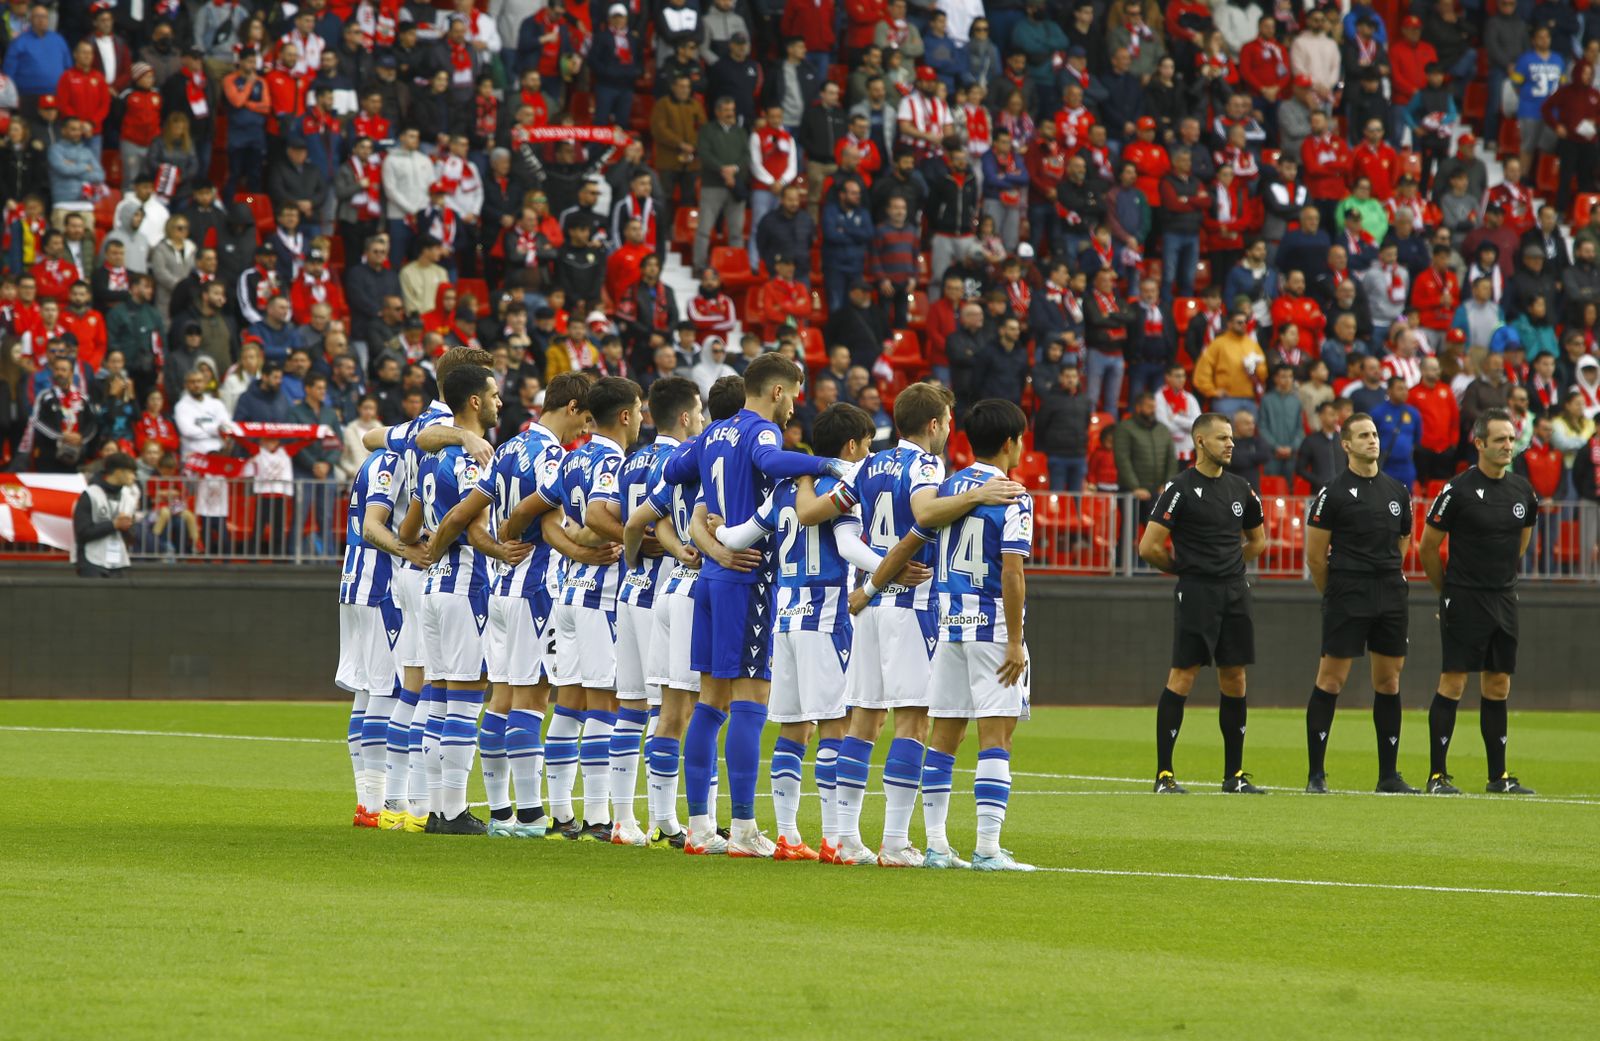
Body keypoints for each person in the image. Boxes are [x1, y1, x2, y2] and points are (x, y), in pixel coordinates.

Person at [785, 381, 1020, 866]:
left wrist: (807, 470)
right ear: (934, 425)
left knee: (864, 719)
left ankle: (845, 838)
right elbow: (924, 513)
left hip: (870, 605)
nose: (949, 432)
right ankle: (895, 841)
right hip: (912, 604)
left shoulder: (869, 463)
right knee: (912, 721)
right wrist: (979, 493)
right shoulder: (927, 465)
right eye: (947, 423)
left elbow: (810, 513)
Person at [665, 354, 847, 858]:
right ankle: (743, 828)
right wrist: (827, 463)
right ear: (777, 392)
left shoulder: (712, 433)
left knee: (710, 702)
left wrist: (707, 533)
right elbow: (769, 462)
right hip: (748, 580)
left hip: (710, 579)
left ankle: (700, 826)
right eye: (793, 395)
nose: (794, 408)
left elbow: (674, 470)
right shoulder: (760, 432)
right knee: (750, 701)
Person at [850, 397, 1036, 871]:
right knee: (997, 737)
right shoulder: (1011, 493)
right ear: (1012, 442)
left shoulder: (948, 489)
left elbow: (911, 540)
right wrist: (1015, 640)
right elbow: (1012, 572)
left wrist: (870, 588)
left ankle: (935, 844)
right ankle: (988, 849)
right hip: (992, 625)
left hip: (949, 626)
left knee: (945, 735)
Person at [710, 401, 883, 861]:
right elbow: (847, 544)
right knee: (833, 725)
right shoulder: (845, 484)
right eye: (866, 446)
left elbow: (737, 538)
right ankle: (835, 839)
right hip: (824, 615)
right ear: (850, 446)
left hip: (781, 618)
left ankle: (787, 835)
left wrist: (713, 529)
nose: (867, 454)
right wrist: (890, 568)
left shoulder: (785, 486)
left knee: (791, 727)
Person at [618, 374, 748, 849]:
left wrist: (639, 559)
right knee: (707, 709)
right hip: (700, 594)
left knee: (670, 711)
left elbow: (637, 523)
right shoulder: (718, 458)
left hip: (668, 587)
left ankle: (666, 821)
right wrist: (707, 549)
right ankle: (702, 825)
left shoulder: (663, 461)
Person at [412, 363, 526, 835]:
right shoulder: (471, 458)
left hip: (435, 587)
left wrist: (426, 549)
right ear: (475, 402)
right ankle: (454, 811)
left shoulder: (432, 457)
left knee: (438, 700)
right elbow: (468, 523)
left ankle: (437, 808)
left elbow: (412, 525)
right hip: (465, 583)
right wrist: (503, 552)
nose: (501, 402)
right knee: (461, 701)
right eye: (495, 395)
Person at [1138, 412, 1268, 794]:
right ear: (1200, 441)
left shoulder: (1241, 488)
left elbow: (1258, 541)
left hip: (1234, 592)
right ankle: (1164, 774)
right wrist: (1185, 569)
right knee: (1184, 675)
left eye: (1232, 438)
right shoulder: (1179, 488)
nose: (1231, 444)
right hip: (1196, 592)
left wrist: (1229, 566)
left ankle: (1235, 775)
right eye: (1223, 438)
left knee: (1235, 677)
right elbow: (1149, 547)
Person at [1419, 408, 1540, 796]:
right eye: (1501, 439)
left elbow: (1520, 541)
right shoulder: (1457, 490)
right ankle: (1438, 775)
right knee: (1453, 682)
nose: (1509, 446)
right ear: (1480, 444)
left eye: (1511, 439)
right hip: (1464, 597)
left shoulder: (1522, 491)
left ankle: (1497, 776)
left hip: (1503, 597)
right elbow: (1428, 547)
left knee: (1499, 684)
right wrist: (1448, 591)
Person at [1303, 413, 1419, 795]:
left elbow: (1403, 541)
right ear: (1346, 445)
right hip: (1347, 592)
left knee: (1389, 680)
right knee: (1331, 679)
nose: (1372, 440)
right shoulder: (1332, 493)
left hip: (1389, 591)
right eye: (1363, 435)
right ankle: (1316, 775)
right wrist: (1335, 593)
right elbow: (1316, 556)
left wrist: (1387, 574)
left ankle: (1388, 776)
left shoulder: (1396, 490)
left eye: (1374, 434)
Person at [72, 450, 139, 578]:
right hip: (90, 561)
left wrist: (127, 529)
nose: (134, 477)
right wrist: (113, 525)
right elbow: (82, 532)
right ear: (118, 472)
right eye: (131, 472)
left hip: (118, 563)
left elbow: (131, 536)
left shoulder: (129, 497)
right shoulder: (90, 494)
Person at [1033, 366, 1092, 491]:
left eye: (1074, 376)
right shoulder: (1051, 400)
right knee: (1057, 497)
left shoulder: (1084, 400)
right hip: (1057, 455)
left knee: (1076, 500)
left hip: (1079, 455)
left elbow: (1086, 423)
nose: (1071, 380)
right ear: (1060, 378)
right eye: (1067, 376)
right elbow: (1040, 425)